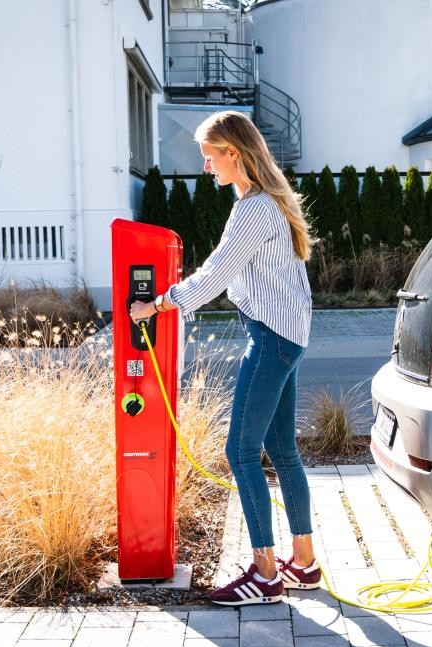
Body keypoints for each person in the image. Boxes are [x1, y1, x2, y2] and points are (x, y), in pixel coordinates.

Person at [129, 110, 320, 606]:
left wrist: (158, 304)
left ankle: (264, 575)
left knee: (240, 451)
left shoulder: (254, 208)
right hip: (289, 336)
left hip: (273, 338)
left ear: (233, 153)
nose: (207, 166)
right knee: (282, 452)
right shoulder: (273, 202)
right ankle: (303, 564)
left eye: (210, 156)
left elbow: (215, 275)